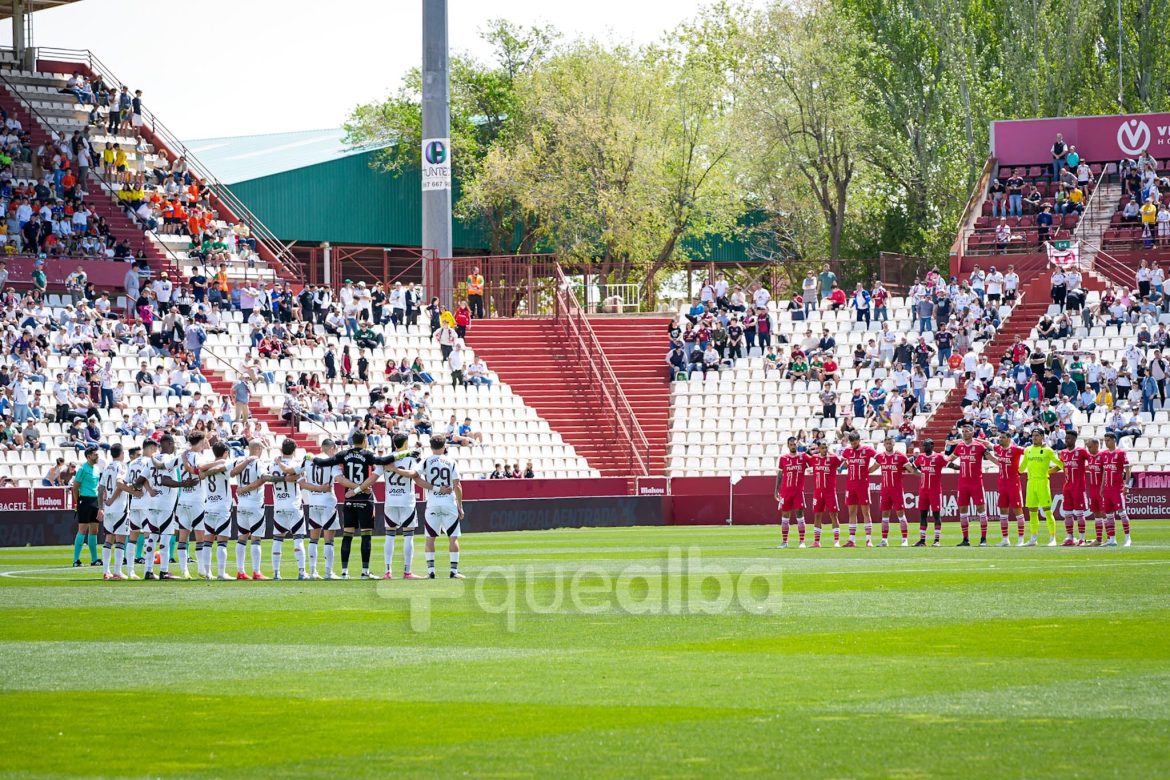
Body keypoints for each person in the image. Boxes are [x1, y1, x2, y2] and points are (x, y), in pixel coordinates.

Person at [311, 431, 417, 579]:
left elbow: (322, 463)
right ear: (365, 440)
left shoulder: (343, 454)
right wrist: (406, 453)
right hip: (365, 498)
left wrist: (310, 457)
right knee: (366, 535)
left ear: (352, 441)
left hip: (349, 499)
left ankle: (344, 572)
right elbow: (383, 460)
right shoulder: (367, 454)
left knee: (347, 535)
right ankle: (365, 572)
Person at [404, 434, 465, 578]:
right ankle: (454, 572)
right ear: (444, 446)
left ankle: (431, 572)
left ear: (431, 447)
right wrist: (460, 506)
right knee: (453, 538)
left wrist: (432, 488)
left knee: (430, 538)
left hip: (432, 503)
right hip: (449, 502)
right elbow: (457, 485)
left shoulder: (426, 461)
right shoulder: (451, 461)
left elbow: (415, 477)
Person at [376, 433, 425, 579]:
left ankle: (388, 571)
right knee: (408, 536)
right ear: (404, 443)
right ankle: (407, 572)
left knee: (389, 536)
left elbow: (374, 476)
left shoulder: (386, 459)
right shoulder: (411, 458)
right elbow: (415, 475)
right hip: (407, 501)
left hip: (390, 500)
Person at [946, 425, 997, 546]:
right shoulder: (960, 446)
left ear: (972, 432)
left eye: (967, 431)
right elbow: (948, 460)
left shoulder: (979, 446)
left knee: (981, 509)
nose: (964, 433)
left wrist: (1003, 465)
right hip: (963, 483)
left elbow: (991, 458)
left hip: (976, 483)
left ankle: (983, 539)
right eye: (963, 431)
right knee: (963, 510)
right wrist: (954, 466)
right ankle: (965, 539)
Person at [301, 439, 342, 579]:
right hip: (328, 502)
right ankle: (328, 572)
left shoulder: (308, 460)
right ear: (331, 448)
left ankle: (312, 571)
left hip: (313, 502)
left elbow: (297, 478)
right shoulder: (332, 461)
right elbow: (339, 478)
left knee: (313, 539)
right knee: (329, 540)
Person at [1019, 428, 1064, 546]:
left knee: (1047, 511)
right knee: (1032, 512)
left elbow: (1060, 464)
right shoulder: (1027, 450)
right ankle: (1033, 538)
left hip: (1043, 483)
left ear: (1042, 436)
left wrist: (1049, 472)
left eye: (1037, 435)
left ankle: (1052, 538)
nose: (1034, 437)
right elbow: (1022, 467)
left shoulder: (1048, 451)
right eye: (1033, 435)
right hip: (1031, 483)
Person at [231, 441, 269, 579]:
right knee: (256, 539)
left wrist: (241, 489)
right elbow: (263, 478)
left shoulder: (241, 461)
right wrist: (246, 488)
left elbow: (232, 473)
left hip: (241, 504)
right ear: (258, 449)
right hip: (255, 503)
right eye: (262, 448)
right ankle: (256, 572)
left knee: (242, 538)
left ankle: (240, 571)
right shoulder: (259, 462)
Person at [98, 443, 135, 580]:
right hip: (120, 507)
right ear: (122, 453)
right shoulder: (122, 466)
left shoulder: (107, 467)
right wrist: (133, 492)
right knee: (120, 540)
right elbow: (120, 484)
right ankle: (117, 572)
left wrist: (101, 507)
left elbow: (100, 489)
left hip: (108, 509)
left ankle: (106, 571)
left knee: (108, 539)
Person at [197, 441, 234, 580]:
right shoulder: (225, 466)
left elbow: (200, 470)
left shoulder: (207, 467)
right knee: (222, 542)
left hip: (209, 506)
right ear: (225, 453)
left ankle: (207, 573)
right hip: (221, 507)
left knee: (208, 542)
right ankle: (221, 573)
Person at [872, 437, 912, 546]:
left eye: (890, 443)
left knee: (900, 514)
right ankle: (884, 540)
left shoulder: (900, 456)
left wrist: (917, 470)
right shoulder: (880, 457)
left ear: (894, 444)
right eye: (887, 443)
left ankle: (905, 540)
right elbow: (872, 469)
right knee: (884, 515)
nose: (888, 445)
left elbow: (911, 469)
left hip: (897, 490)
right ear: (884, 444)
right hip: (885, 490)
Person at [840, 434, 876, 547]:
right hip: (850, 485)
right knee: (851, 512)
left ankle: (868, 540)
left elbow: (879, 459)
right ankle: (851, 540)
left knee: (866, 512)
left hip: (863, 485)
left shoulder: (868, 449)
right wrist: (846, 464)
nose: (853, 445)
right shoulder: (847, 451)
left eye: (855, 443)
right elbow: (844, 462)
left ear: (859, 440)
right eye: (851, 443)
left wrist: (870, 470)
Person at [71, 445, 103, 568]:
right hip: (84, 501)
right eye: (95, 454)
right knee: (82, 530)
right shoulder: (82, 469)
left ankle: (94, 559)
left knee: (94, 530)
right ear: (89, 456)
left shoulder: (96, 469)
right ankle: (76, 560)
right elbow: (75, 487)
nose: (97, 456)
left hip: (95, 501)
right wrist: (78, 502)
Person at [807, 441, 843, 548]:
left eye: (826, 447)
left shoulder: (833, 458)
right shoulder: (814, 458)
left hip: (830, 492)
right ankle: (816, 542)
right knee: (817, 515)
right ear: (818, 448)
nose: (824, 449)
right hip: (818, 492)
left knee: (833, 515)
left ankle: (836, 541)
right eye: (822, 447)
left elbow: (843, 461)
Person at [774, 436, 808, 548]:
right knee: (785, 516)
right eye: (791, 444)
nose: (793, 446)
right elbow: (779, 475)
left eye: (795, 444)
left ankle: (802, 541)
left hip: (798, 491)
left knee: (800, 516)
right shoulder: (783, 458)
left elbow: (815, 460)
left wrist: (805, 447)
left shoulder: (803, 457)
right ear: (788, 445)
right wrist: (776, 490)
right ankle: (784, 542)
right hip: (785, 491)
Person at [1058, 430, 1091, 546]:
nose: (1067, 440)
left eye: (1069, 438)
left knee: (1079, 513)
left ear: (1074, 439)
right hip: (1067, 488)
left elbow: (1091, 460)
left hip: (1078, 487)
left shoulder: (1081, 451)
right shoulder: (1063, 453)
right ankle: (1070, 537)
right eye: (1066, 438)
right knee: (1067, 513)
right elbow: (1060, 466)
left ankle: (1082, 538)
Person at [1099, 432, 1132, 547]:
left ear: (1114, 440)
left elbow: (1128, 470)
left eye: (1108, 440)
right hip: (1107, 489)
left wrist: (1127, 486)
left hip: (1117, 489)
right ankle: (1112, 539)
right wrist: (1102, 487)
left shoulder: (1121, 453)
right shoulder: (1104, 454)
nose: (1106, 442)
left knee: (1122, 512)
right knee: (1108, 514)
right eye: (1105, 440)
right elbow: (1104, 472)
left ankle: (1128, 538)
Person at [992, 433, 1025, 546]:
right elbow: (988, 444)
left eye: (1003, 438)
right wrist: (976, 440)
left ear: (1009, 439)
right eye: (1000, 437)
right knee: (1003, 511)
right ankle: (1005, 539)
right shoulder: (998, 448)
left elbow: (1029, 452)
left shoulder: (1016, 449)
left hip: (1013, 483)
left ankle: (1021, 539)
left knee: (1018, 511)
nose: (1000, 439)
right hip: (1002, 484)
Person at [912, 440, 947, 546]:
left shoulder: (939, 457)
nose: (924, 447)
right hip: (923, 490)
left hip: (935, 491)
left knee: (936, 515)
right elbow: (913, 467)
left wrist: (960, 467)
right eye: (923, 445)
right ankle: (922, 541)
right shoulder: (921, 457)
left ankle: (937, 540)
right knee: (923, 515)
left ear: (932, 446)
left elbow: (948, 464)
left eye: (926, 445)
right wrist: (920, 474)